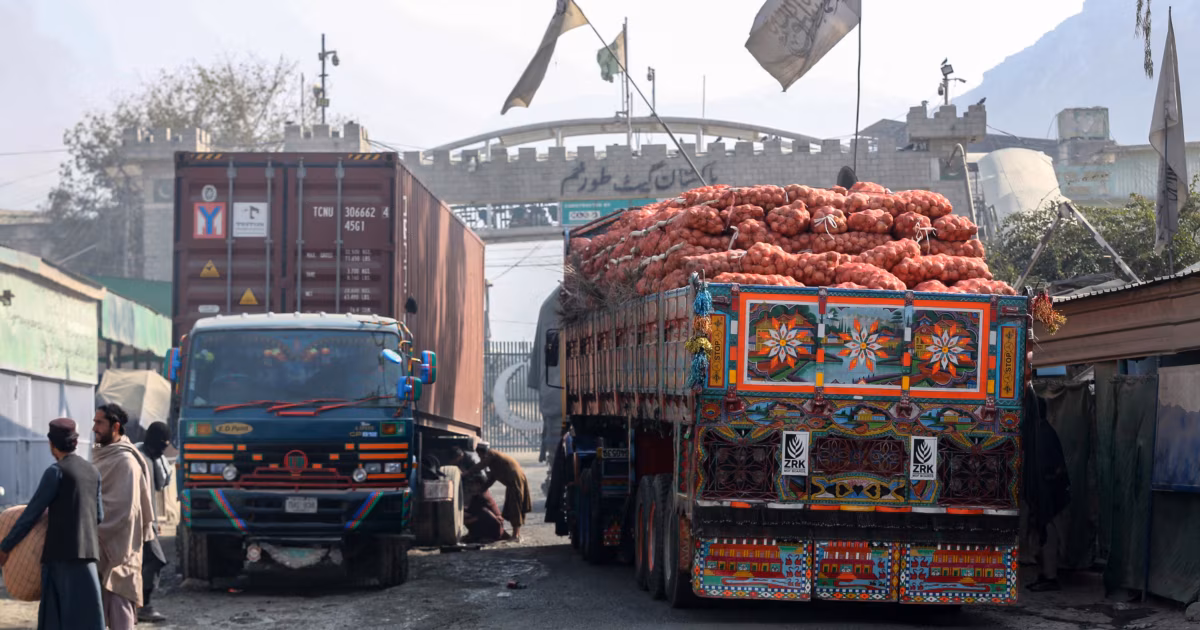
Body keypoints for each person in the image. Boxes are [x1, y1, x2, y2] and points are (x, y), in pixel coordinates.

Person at [0, 418, 105, 630]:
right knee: (88, 620)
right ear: (75, 442)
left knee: (55, 621)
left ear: (51, 444)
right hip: (88, 557)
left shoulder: (55, 472)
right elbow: (99, 516)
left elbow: (31, 515)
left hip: (60, 560)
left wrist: (5, 547)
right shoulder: (93, 472)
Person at [92, 404, 156, 630]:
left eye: (99, 423)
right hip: (99, 550)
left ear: (115, 426)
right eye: (94, 422)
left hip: (120, 550)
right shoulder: (100, 453)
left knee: (120, 608)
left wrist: (90, 528)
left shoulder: (126, 462)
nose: (94, 428)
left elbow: (124, 511)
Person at [1021, 352, 1071, 593]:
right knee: (1040, 534)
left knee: (1047, 534)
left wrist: (1044, 494)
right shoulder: (1038, 433)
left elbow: (1053, 469)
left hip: (1050, 499)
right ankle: (1044, 575)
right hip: (1043, 497)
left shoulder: (1043, 434)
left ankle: (1050, 577)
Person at [134, 422, 171, 624]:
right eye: (163, 444)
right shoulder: (137, 457)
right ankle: (143, 606)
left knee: (143, 562)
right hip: (137, 521)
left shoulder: (152, 458)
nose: (165, 449)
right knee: (156, 559)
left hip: (148, 522)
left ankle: (137, 606)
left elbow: (160, 485)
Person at [467, 443, 532, 542]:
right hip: (513, 482)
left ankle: (516, 535)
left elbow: (481, 465)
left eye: (479, 455)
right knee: (512, 507)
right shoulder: (495, 462)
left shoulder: (491, 454)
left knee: (515, 507)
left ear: (482, 452)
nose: (480, 458)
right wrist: (481, 490)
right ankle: (516, 534)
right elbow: (491, 479)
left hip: (515, 481)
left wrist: (467, 472)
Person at [461, 477, 506, 544]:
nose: (471, 487)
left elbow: (483, 514)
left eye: (473, 485)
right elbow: (471, 510)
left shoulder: (482, 497)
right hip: (488, 522)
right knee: (465, 516)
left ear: (479, 485)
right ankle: (476, 535)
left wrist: (467, 521)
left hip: (495, 529)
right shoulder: (476, 496)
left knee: (469, 519)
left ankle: (485, 536)